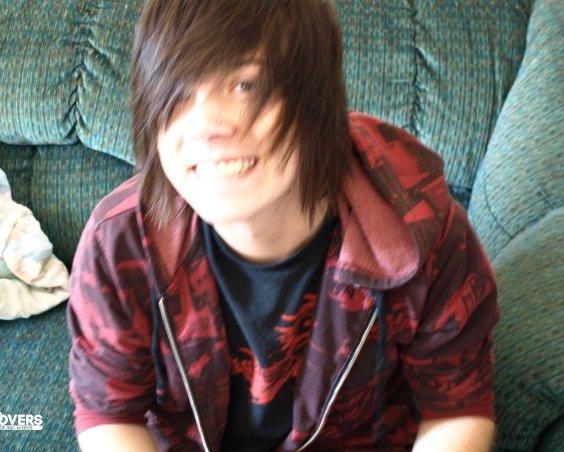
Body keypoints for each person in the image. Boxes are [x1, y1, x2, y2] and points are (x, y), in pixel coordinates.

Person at [67, 0, 501, 450]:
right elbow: (109, 413)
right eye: (177, 93)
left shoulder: (420, 227)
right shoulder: (119, 244)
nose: (204, 126)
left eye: (245, 84)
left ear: (318, 100)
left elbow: (455, 408)